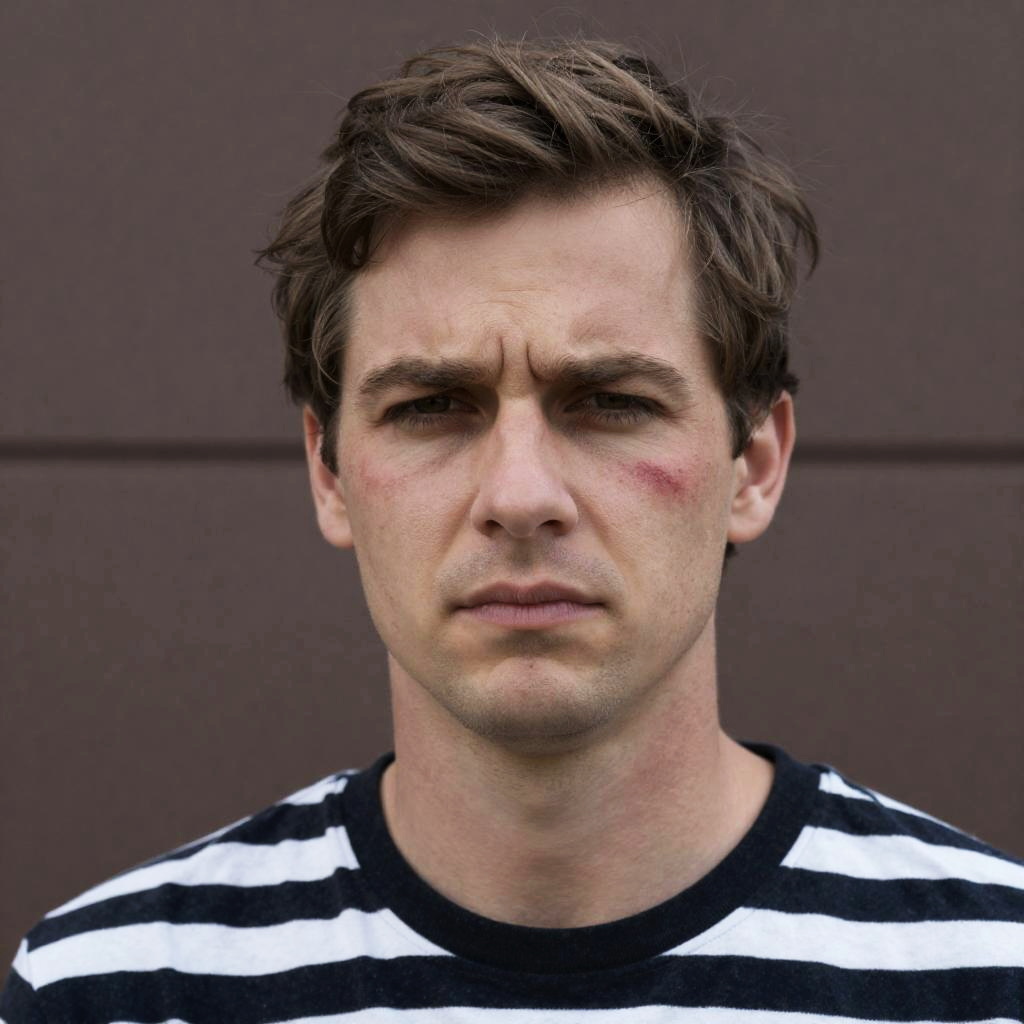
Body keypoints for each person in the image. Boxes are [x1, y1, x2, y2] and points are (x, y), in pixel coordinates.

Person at [3, 35, 1022, 1024]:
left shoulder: (990, 979)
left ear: (752, 463)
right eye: (433, 406)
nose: (520, 494)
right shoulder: (119, 992)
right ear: (329, 472)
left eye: (610, 401)